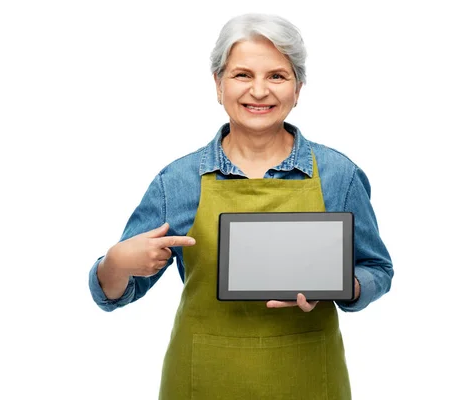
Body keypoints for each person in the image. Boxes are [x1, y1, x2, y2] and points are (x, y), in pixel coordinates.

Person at [88, 13, 393, 400]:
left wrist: (343, 285)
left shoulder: (338, 175)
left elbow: (377, 269)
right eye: (242, 75)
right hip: (204, 379)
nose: (259, 91)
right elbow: (114, 292)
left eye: (277, 76)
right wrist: (115, 264)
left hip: (308, 378)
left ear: (297, 89)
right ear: (218, 84)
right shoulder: (178, 181)